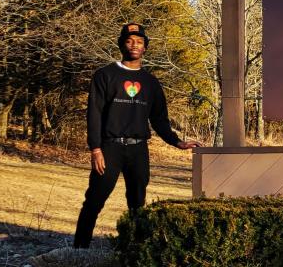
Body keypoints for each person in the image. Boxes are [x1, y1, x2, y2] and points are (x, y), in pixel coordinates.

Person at [73, 23, 200, 248]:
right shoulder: (105, 75)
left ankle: (133, 249)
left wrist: (177, 141)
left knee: (137, 204)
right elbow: (94, 114)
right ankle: (79, 250)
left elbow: (159, 119)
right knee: (94, 200)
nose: (134, 45)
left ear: (145, 48)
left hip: (138, 150)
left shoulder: (151, 83)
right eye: (130, 41)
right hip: (110, 148)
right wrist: (95, 148)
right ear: (122, 44)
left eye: (139, 42)